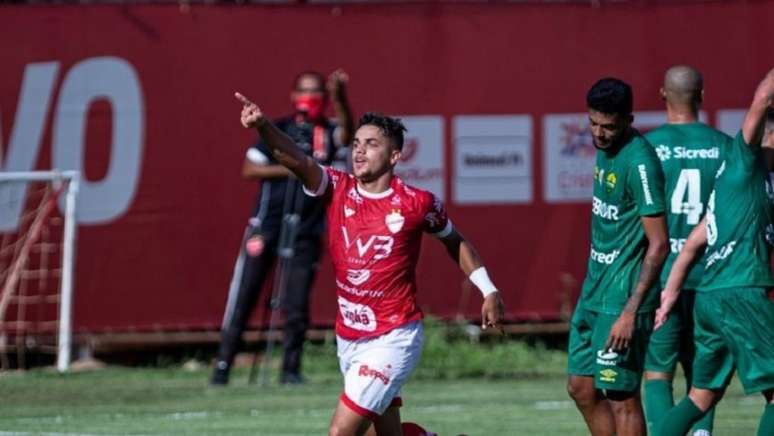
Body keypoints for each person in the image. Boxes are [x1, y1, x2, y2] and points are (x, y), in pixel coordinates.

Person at [235, 92, 505, 436]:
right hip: (349, 338)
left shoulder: (416, 203)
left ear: (394, 155)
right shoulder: (337, 187)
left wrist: (488, 290)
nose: (359, 150)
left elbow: (455, 241)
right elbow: (295, 160)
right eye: (357, 143)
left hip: (394, 336)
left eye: (371, 144)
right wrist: (263, 126)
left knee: (341, 433)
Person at [212, 70, 354, 386]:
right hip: (267, 225)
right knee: (245, 296)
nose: (310, 98)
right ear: (293, 95)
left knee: (296, 302)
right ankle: (222, 366)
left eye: (317, 92)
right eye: (304, 92)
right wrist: (295, 167)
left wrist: (341, 97)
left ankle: (290, 369)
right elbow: (251, 167)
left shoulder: (327, 132)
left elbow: (346, 135)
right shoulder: (280, 129)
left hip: (306, 228)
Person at [654, 68, 774, 436]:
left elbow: (693, 243)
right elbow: (762, 100)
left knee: (701, 396)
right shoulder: (742, 161)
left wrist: (668, 297)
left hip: (710, 296)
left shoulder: (744, 189)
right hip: (740, 292)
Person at [566, 78, 669, 436]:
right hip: (594, 291)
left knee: (621, 396)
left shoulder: (640, 162)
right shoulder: (603, 147)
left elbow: (659, 244)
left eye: (609, 126)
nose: (599, 133)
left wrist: (631, 311)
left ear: (629, 119)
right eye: (593, 123)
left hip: (621, 298)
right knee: (581, 387)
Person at [642, 65, 729, 436]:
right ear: (703, 96)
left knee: (657, 371)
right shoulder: (725, 146)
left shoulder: (646, 147)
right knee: (703, 374)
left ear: (663, 95)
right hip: (711, 276)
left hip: (663, 276)